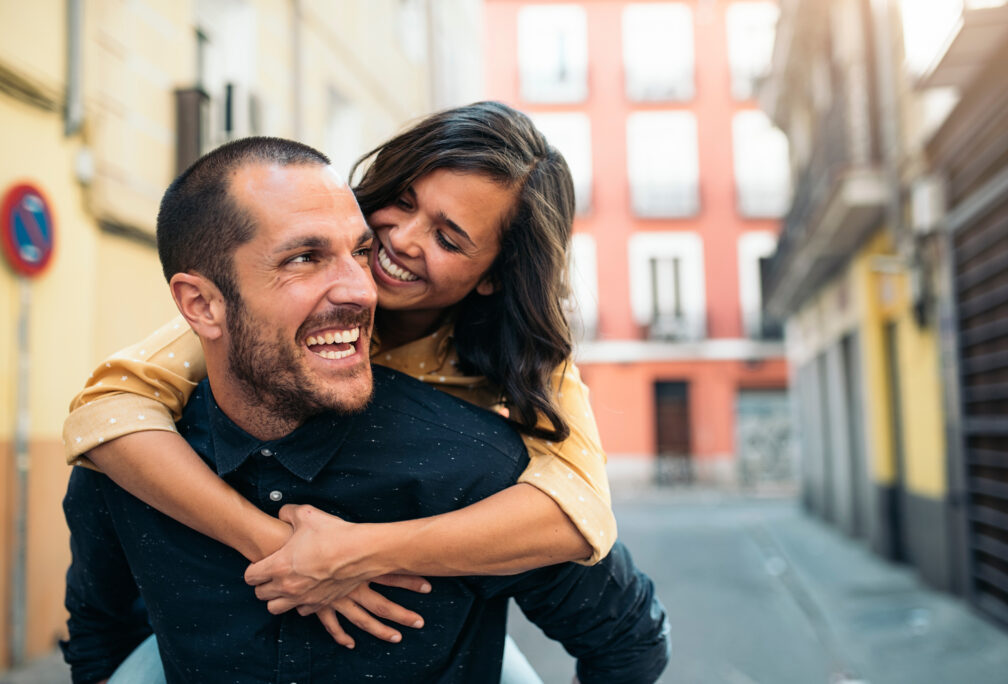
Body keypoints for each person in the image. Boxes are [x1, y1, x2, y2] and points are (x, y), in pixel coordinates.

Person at [61, 136, 670, 683]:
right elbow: (107, 411)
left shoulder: (500, 420)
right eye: (402, 203)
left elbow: (578, 517)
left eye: (449, 238)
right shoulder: (227, 333)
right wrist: (275, 544)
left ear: (493, 277)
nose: (395, 244)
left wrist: (358, 553)